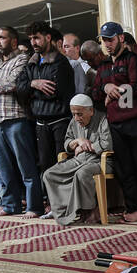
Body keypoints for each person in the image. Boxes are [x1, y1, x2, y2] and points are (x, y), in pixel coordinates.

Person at [93, 21, 137, 221]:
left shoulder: (132, 59)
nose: (107, 44)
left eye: (110, 39)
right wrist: (105, 89)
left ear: (120, 38)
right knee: (124, 169)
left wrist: (114, 91)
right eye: (104, 40)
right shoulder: (102, 65)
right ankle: (132, 207)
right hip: (115, 123)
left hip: (136, 120)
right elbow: (94, 93)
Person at [0, 26, 40, 217]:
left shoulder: (21, 59)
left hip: (16, 119)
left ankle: (33, 206)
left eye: (2, 38)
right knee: (4, 169)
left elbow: (11, 84)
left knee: (26, 167)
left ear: (14, 41)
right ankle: (10, 205)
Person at [39, 94, 112, 226]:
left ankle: (89, 211)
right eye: (73, 114)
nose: (76, 118)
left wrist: (86, 147)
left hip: (98, 161)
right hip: (78, 160)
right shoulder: (74, 121)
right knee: (49, 174)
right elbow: (67, 142)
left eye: (79, 114)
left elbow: (107, 144)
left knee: (82, 173)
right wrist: (77, 141)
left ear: (90, 111)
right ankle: (65, 210)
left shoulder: (102, 118)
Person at [18, 22, 76, 184]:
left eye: (36, 38)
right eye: (30, 39)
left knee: (62, 164)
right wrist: (34, 84)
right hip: (40, 121)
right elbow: (19, 87)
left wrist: (30, 91)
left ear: (48, 37)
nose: (33, 42)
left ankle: (65, 204)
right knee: (45, 165)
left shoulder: (60, 62)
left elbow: (54, 93)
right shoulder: (32, 62)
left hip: (60, 121)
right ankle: (52, 203)